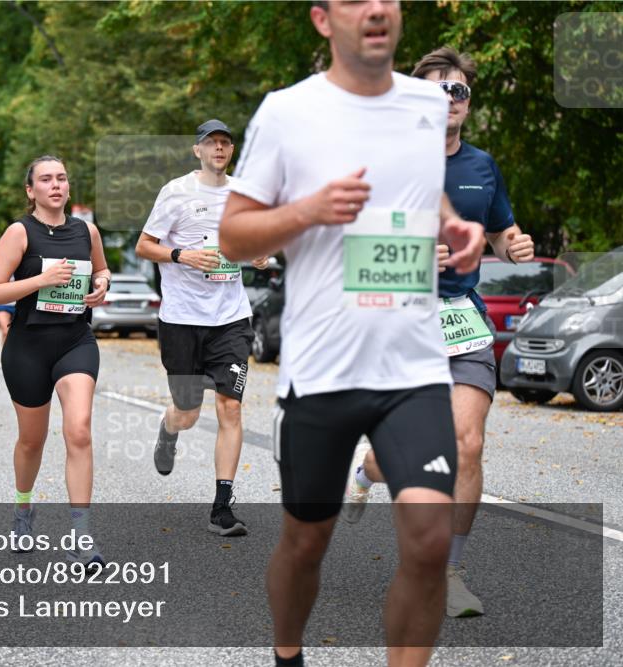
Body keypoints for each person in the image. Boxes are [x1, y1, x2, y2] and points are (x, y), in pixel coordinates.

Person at [218, 2, 486, 665]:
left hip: (415, 369)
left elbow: (425, 194)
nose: (375, 8)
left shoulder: (426, 106)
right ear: (321, 19)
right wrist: (308, 209)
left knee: (427, 541)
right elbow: (231, 234)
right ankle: (287, 652)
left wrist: (456, 227)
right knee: (305, 541)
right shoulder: (287, 112)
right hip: (323, 369)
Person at [343, 46, 534, 619]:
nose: (450, 100)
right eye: (437, 91)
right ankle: (366, 468)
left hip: (461, 318)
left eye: (460, 91)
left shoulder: (481, 166)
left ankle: (450, 572)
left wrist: (513, 244)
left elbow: (501, 231)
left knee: (467, 444)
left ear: (468, 105)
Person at [135, 118, 268, 537]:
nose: (219, 149)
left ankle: (222, 507)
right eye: (211, 143)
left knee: (230, 406)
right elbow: (144, 245)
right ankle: (168, 428)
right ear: (197, 150)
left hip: (230, 317)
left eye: (225, 143)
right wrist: (182, 256)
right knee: (188, 412)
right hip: (181, 318)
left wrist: (259, 254)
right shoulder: (175, 192)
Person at [0, 155, 111, 567]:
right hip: (28, 347)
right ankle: (23, 509)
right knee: (32, 440)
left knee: (79, 431)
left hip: (75, 340)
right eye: (46, 179)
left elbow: (101, 270)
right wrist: (40, 280)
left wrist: (101, 285)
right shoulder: (20, 232)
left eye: (61, 178)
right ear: (31, 190)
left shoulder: (86, 230)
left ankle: (81, 533)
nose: (55, 185)